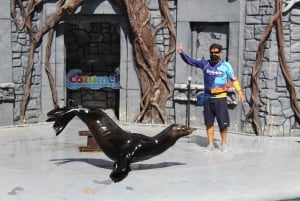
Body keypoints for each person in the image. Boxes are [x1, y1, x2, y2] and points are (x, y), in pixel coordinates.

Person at [177, 43, 245, 152]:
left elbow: (234, 80)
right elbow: (191, 61)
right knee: (209, 122)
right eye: (212, 52)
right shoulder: (205, 64)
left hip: (220, 98)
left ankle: (223, 144)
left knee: (223, 123)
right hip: (208, 97)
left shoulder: (226, 65)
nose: (214, 54)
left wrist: (240, 92)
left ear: (220, 53)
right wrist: (181, 54)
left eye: (216, 52)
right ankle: (211, 144)